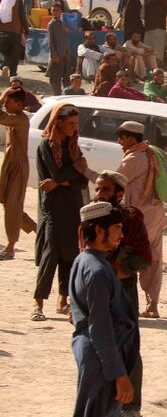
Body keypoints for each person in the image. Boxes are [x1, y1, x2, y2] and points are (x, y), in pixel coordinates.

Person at [80, 121, 167, 318]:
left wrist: (84, 170)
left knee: (129, 259)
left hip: (142, 216)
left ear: (129, 138)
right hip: (156, 214)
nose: (119, 142)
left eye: (121, 137)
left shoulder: (133, 159)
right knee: (154, 260)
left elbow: (111, 182)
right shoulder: (150, 153)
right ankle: (152, 304)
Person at [69, 201, 139, 417]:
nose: (121, 234)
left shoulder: (85, 261)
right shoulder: (97, 271)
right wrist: (119, 375)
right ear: (99, 230)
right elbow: (100, 328)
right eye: (117, 229)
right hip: (102, 361)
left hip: (98, 356)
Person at [90, 171, 151, 415]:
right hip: (97, 288)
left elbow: (144, 256)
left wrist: (121, 267)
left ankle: (131, 406)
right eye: (97, 189)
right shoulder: (90, 216)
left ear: (119, 193)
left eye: (105, 190)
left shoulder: (131, 218)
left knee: (128, 346)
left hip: (122, 289)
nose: (99, 195)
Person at [33, 103, 87, 321]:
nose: (75, 128)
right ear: (60, 122)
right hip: (54, 208)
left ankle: (63, 300)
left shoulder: (74, 147)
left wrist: (61, 182)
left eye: (76, 123)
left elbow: (82, 181)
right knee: (51, 253)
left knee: (71, 254)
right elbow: (55, 173)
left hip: (73, 205)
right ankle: (38, 304)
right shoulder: (46, 145)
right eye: (71, 124)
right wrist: (69, 176)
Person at [0, 87, 35, 260]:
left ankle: (11, 247)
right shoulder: (14, 118)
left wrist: (3, 94)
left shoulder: (20, 119)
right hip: (9, 165)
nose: (5, 104)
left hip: (18, 168)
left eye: (8, 102)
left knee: (13, 205)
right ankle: (38, 229)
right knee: (9, 204)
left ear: (19, 104)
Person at [0, 0, 29, 80]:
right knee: (14, 54)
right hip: (15, 32)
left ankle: (3, 65)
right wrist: (26, 30)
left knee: (3, 52)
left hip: (2, 32)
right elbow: (22, 16)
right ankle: (12, 74)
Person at [46, 3, 71, 95]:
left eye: (57, 10)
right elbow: (50, 41)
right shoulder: (51, 25)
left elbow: (66, 39)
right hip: (57, 57)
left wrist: (68, 53)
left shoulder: (62, 23)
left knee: (66, 78)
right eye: (53, 10)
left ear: (61, 11)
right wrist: (54, 55)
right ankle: (57, 97)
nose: (55, 12)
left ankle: (67, 96)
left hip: (64, 55)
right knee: (55, 79)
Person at [143, 0, 167, 68]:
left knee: (149, 50)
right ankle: (157, 69)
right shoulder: (163, 0)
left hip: (149, 28)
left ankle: (149, 69)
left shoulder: (146, 1)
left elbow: (142, 15)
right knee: (158, 51)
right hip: (160, 28)